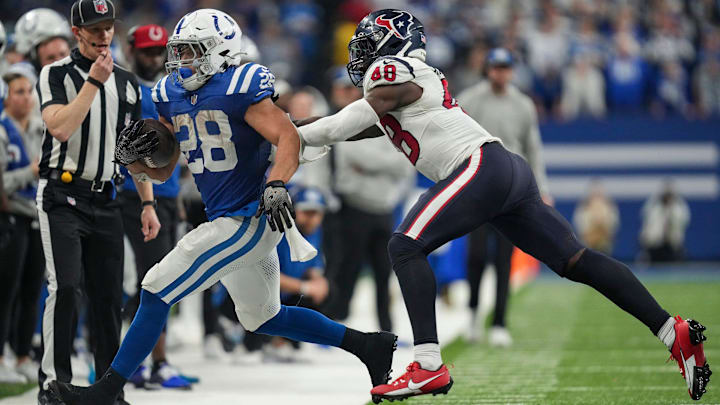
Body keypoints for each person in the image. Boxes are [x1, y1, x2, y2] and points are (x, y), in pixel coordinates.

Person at [295, 9, 711, 402]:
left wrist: (293, 136)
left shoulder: (391, 74)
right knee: (576, 261)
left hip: (479, 167)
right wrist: (290, 129)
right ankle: (672, 331)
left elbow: (342, 123)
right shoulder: (400, 89)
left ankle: (427, 365)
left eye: (370, 42)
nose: (362, 52)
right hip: (504, 171)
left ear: (394, 43)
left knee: (404, 245)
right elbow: (352, 128)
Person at [50, 9, 396, 405]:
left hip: (249, 217)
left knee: (156, 288)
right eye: (178, 52)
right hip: (228, 218)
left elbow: (288, 138)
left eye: (193, 51)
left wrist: (277, 183)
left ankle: (105, 392)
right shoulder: (170, 95)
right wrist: (135, 162)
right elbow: (163, 173)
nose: (182, 61)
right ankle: (370, 346)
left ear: (222, 51)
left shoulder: (240, 86)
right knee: (263, 317)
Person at [35, 1, 161, 404]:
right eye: (95, 27)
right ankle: (53, 384)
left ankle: (109, 390)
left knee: (108, 298)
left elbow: (134, 151)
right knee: (67, 287)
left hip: (107, 198)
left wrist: (147, 203)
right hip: (62, 196)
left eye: (108, 26)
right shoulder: (54, 74)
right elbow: (60, 128)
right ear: (76, 32)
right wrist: (92, 82)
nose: (103, 34)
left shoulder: (127, 84)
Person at [457, 47, 552, 347]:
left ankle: (499, 321)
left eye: (506, 67)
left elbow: (532, 147)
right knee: (476, 255)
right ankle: (473, 313)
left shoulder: (523, 104)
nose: (501, 72)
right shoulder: (471, 99)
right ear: (488, 69)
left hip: (511, 190)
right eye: (496, 67)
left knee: (503, 258)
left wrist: (541, 189)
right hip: (477, 185)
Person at [118, 23, 189, 391]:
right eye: (146, 50)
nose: (153, 57)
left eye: (158, 50)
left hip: (166, 194)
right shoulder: (125, 88)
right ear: (131, 50)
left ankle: (158, 361)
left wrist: (175, 200)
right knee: (141, 279)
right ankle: (134, 362)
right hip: (130, 192)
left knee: (163, 279)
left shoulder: (174, 88)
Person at [0, 66, 45, 384]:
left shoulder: (39, 127)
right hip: (12, 215)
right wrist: (29, 172)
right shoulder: (3, 129)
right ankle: (2, 356)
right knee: (6, 291)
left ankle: (23, 354)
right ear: (6, 95)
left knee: (32, 290)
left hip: (35, 216)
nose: (26, 97)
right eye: (19, 91)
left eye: (29, 91)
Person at [640, 181, 690, 263]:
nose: (667, 197)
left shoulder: (678, 209)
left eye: (669, 195)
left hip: (671, 245)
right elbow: (647, 224)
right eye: (666, 195)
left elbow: (682, 222)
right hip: (654, 244)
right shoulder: (654, 208)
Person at [573, 180, 619, 255]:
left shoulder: (610, 209)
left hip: (605, 245)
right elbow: (581, 231)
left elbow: (612, 230)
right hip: (587, 245)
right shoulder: (583, 209)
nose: (596, 196)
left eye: (599, 193)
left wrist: (601, 228)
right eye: (594, 193)